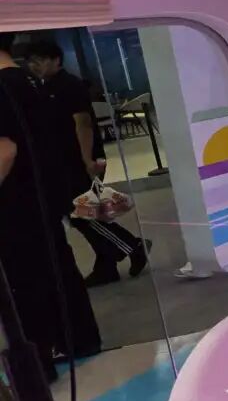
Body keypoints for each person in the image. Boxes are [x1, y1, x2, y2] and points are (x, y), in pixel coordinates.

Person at [0, 33, 101, 382]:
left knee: (25, 279)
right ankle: (78, 339)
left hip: (15, 200)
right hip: (42, 191)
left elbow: (6, 150)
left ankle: (39, 357)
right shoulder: (30, 83)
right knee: (56, 264)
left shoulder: (5, 87)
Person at [26, 41, 148, 287]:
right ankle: (106, 265)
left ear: (56, 60)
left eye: (40, 60)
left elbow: (83, 123)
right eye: (31, 61)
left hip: (76, 161)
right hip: (62, 161)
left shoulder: (68, 85)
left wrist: (87, 160)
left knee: (80, 213)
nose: (35, 66)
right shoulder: (45, 87)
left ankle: (133, 246)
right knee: (83, 210)